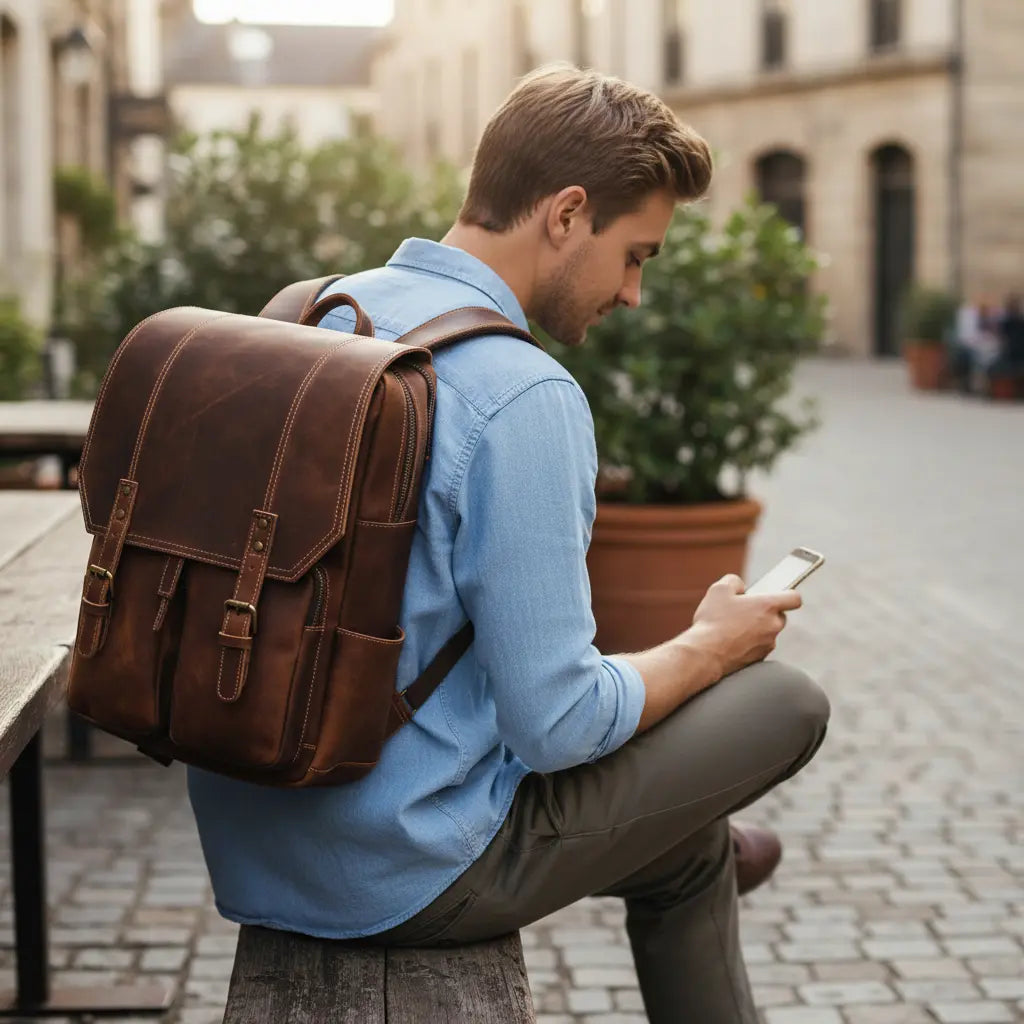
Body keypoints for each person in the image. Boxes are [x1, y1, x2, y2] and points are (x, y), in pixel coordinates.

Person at [188, 65, 830, 1023]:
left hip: (252, 832)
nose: (635, 294)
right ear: (567, 214)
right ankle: (705, 832)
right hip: (399, 872)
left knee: (693, 851)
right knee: (786, 700)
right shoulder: (520, 395)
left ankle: (704, 847)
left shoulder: (310, 314)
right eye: (635, 255)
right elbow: (558, 725)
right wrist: (712, 646)